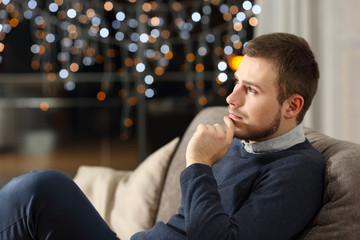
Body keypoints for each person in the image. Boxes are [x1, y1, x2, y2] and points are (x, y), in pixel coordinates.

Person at [0, 32, 324, 240]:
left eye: (250, 90)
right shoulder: (241, 140)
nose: (232, 98)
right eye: (236, 83)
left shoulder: (297, 170)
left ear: (291, 106)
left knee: (40, 191)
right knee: (42, 190)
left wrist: (198, 163)